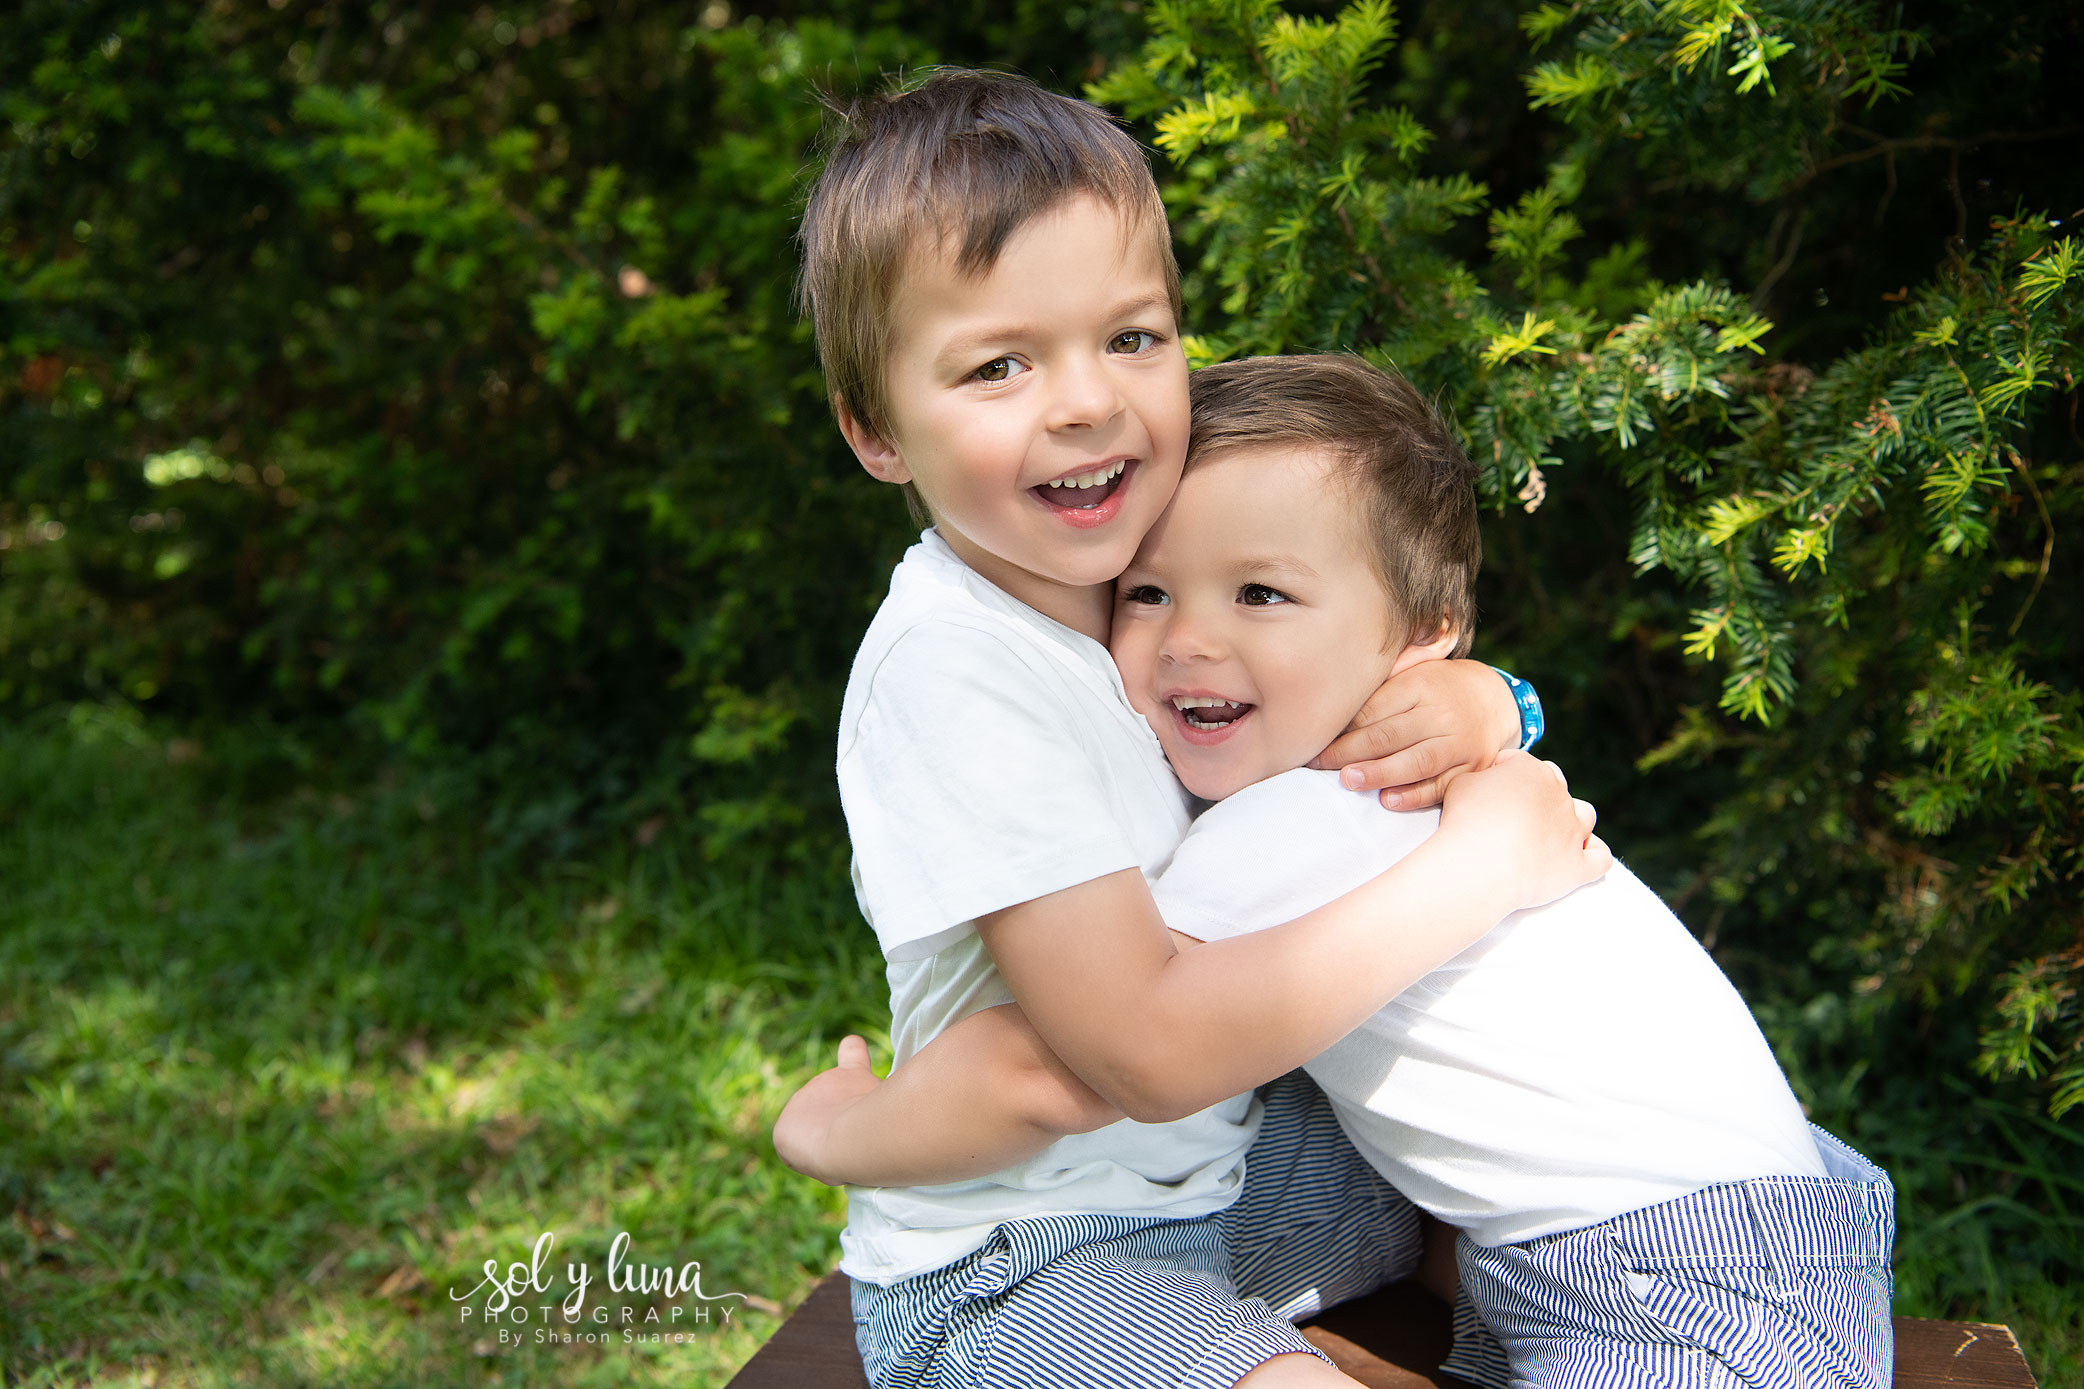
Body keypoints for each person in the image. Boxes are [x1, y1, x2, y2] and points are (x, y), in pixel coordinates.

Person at [785, 354, 1897, 1389]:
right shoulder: (1390, 763)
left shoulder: (1302, 818)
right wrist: (1492, 695)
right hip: (1726, 1230)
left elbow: (1069, 1053)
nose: (1188, 641)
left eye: (1258, 594)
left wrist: (837, 1129)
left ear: (1420, 636)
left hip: (1699, 1301)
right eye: (1148, 593)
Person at [788, 68, 1611, 1389]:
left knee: (1561, 1146)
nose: (1086, 401)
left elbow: (1346, 663)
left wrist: (1479, 701)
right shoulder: (952, 670)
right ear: (877, 430)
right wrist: (1481, 865)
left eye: (1131, 337)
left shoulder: (1134, 556)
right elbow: (1141, 1054)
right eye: (999, 363)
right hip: (1023, 1258)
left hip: (1238, 1176)